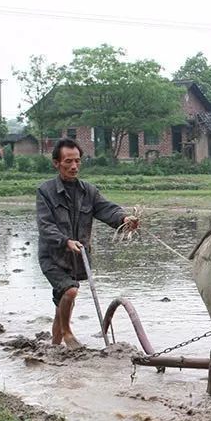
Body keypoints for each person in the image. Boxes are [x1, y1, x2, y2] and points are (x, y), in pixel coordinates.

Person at [36, 138, 138, 348]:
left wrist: (124, 219)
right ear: (56, 163)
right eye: (68, 162)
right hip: (53, 256)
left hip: (77, 258)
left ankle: (55, 346)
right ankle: (67, 333)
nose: (74, 166)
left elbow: (107, 209)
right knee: (70, 291)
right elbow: (45, 225)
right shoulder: (45, 192)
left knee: (64, 299)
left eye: (77, 161)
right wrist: (65, 241)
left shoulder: (88, 191)